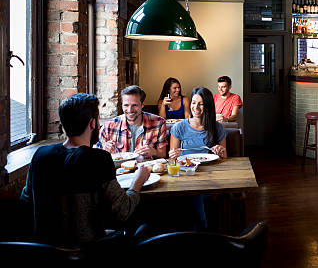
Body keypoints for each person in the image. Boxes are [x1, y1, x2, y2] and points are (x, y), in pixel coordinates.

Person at [21, 93, 150, 247]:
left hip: (45, 251)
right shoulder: (98, 159)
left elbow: (26, 200)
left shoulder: (40, 156)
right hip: (89, 251)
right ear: (93, 124)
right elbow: (123, 211)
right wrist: (137, 182)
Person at [168, 87, 227, 230]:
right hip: (185, 176)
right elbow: (172, 160)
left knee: (196, 193)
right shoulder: (179, 127)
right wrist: (173, 156)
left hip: (210, 177)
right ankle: (201, 230)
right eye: (194, 103)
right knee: (194, 192)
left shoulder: (217, 127)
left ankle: (197, 231)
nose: (196, 107)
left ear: (208, 106)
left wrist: (221, 151)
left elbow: (225, 157)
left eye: (201, 104)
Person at [97, 85, 167, 159]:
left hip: (146, 168)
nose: (130, 110)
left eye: (134, 105)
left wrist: (154, 152)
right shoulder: (109, 125)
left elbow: (163, 154)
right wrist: (103, 149)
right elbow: (94, 154)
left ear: (142, 105)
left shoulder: (159, 123)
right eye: (126, 105)